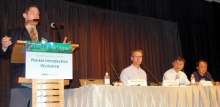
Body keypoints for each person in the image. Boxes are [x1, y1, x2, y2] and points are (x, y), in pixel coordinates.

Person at [1, 5, 70, 88]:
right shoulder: (15, 33)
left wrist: (61, 50)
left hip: (42, 81)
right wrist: (4, 46)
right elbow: (5, 54)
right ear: (25, 15)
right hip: (21, 80)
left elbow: (51, 58)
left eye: (38, 14)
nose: (36, 16)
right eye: (33, 13)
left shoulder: (46, 36)